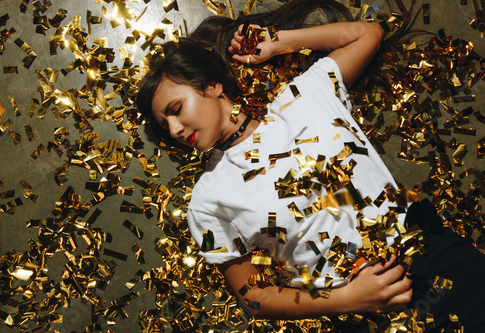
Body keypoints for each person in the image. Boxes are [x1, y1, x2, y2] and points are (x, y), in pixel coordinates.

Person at [136, 0, 485, 331]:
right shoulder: (206, 200)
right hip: (367, 315)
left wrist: (277, 43)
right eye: (165, 126)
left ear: (212, 86)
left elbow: (368, 33)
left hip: (432, 259)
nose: (175, 130)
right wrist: (350, 298)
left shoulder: (305, 95)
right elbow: (254, 299)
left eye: (176, 110)